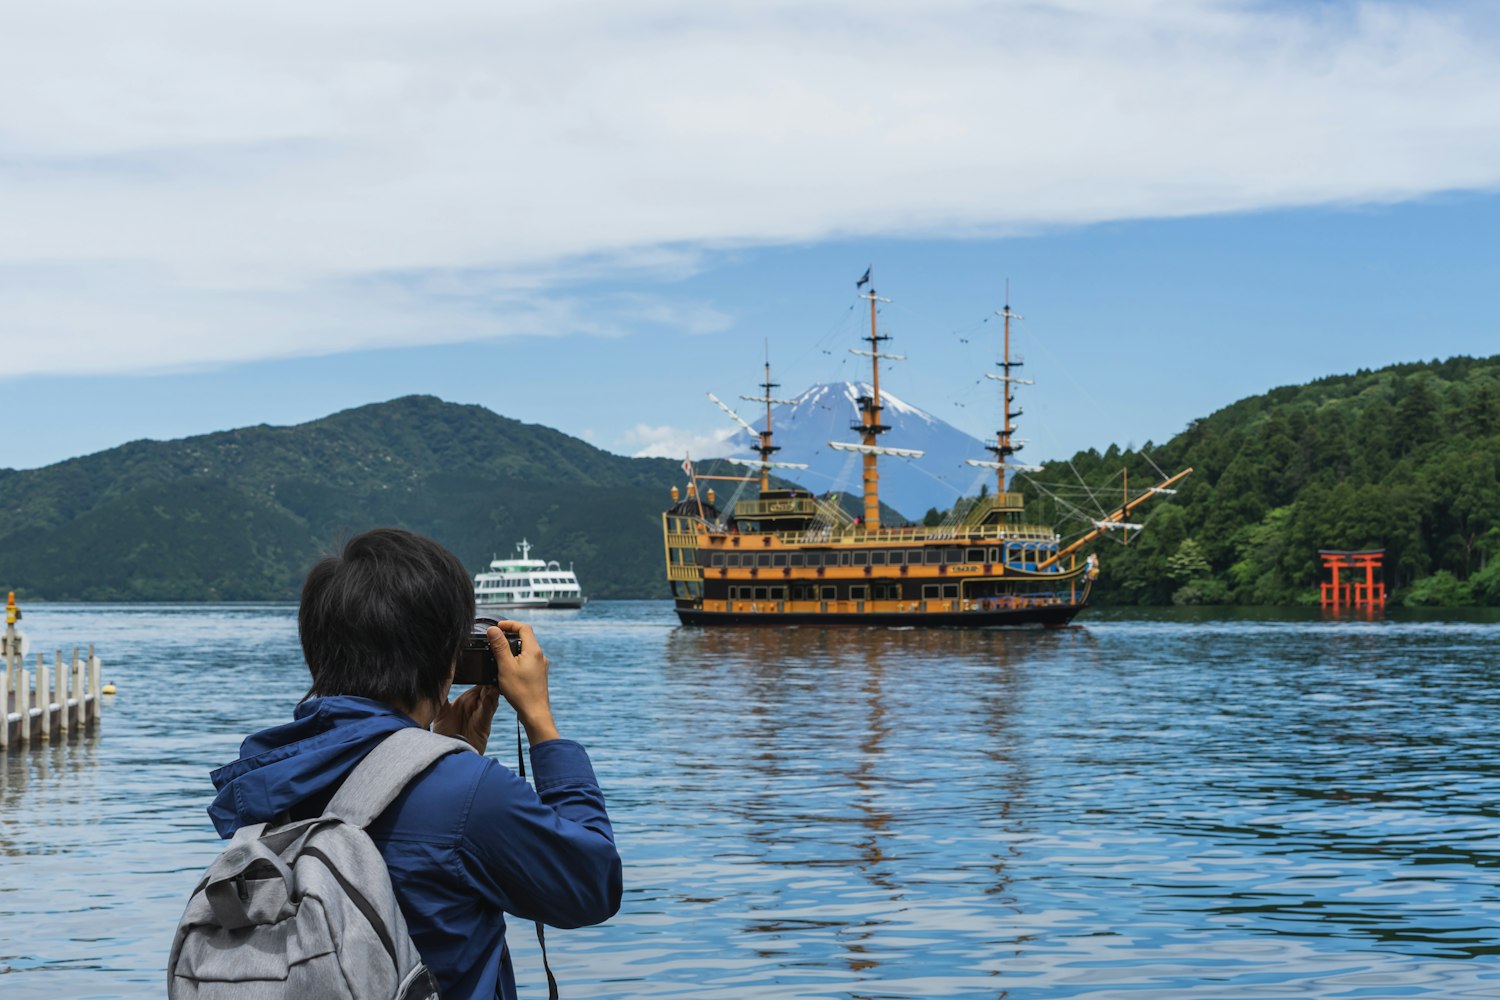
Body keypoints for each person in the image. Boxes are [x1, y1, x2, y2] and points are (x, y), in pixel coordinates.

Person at [206, 528, 622, 999]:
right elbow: (591, 887)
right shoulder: (467, 793)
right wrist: (541, 723)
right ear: (446, 656)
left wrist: (428, 751)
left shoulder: (270, 777)